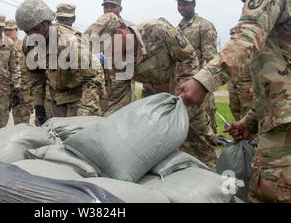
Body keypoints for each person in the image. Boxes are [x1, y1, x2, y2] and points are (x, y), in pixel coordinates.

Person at [177, 0, 291, 203]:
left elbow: (247, 36)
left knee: (270, 195)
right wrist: (249, 123)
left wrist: (204, 80)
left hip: (286, 124)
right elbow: (285, 82)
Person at [87, 13, 218, 167]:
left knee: (198, 138)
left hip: (183, 88)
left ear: (120, 34)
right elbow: (118, 100)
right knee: (156, 141)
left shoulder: (157, 30)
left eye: (107, 47)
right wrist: (105, 131)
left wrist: (183, 97)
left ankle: (211, 173)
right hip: (153, 95)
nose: (107, 53)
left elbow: (189, 58)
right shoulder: (117, 59)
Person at [15, 0, 104, 124]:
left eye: (36, 29)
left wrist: (85, 111)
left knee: (80, 136)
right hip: (57, 98)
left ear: (47, 22)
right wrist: (38, 105)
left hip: (81, 96)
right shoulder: (30, 44)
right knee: (57, 136)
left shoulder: (68, 42)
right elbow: (35, 76)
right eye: (27, 31)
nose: (32, 35)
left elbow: (95, 78)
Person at [85, 0, 136, 115]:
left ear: (120, 8)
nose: (109, 10)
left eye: (112, 7)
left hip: (121, 82)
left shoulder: (129, 27)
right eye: (106, 7)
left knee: (121, 116)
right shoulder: (98, 28)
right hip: (102, 83)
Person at [176, 0, 218, 133]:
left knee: (205, 126)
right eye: (179, 4)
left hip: (199, 83)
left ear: (194, 4)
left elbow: (211, 59)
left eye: (186, 4)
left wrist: (204, 83)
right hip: (183, 83)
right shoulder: (177, 29)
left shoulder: (204, 26)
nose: (182, 7)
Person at [4, 20, 33, 124]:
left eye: (10, 30)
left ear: (16, 30)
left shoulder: (25, 46)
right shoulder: (0, 46)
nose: (7, 32)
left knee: (22, 126)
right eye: (5, 30)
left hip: (22, 91)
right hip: (4, 91)